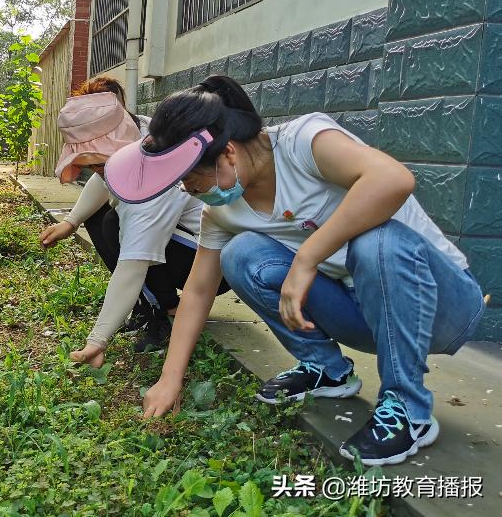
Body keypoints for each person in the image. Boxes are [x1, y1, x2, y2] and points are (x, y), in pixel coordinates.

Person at [106, 75, 485, 466]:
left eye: (190, 177)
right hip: (366, 313)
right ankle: (327, 370)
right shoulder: (222, 211)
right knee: (241, 254)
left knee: (376, 241)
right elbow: (199, 291)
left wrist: (307, 259)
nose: (186, 189)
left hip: (440, 307)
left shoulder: (304, 140)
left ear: (228, 154)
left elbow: (394, 179)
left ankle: (409, 408)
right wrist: (170, 378)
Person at [39, 82, 228, 361]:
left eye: (96, 165)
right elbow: (106, 178)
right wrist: (71, 222)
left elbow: (133, 263)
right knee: (105, 219)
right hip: (193, 242)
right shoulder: (141, 134)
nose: (98, 173)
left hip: (212, 260)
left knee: (114, 225)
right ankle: (152, 302)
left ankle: (162, 311)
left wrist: (97, 340)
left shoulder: (156, 171)